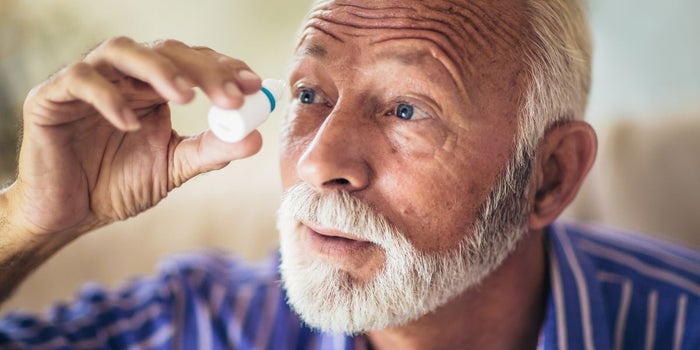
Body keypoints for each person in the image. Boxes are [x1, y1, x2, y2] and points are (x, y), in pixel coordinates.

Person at [0, 0, 698, 349]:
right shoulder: (200, 323)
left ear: (549, 176)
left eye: (405, 109)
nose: (317, 161)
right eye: (309, 95)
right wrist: (30, 218)